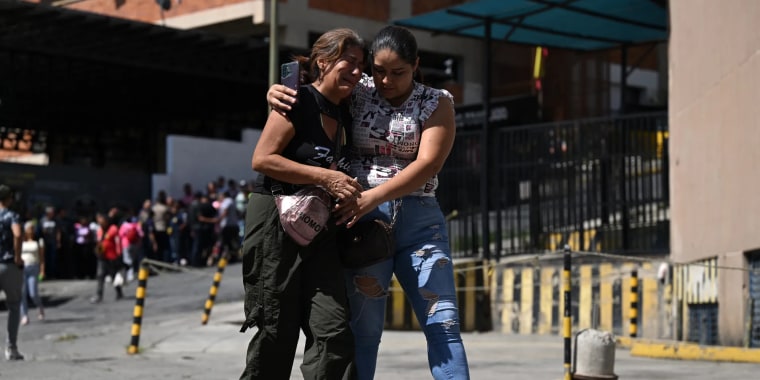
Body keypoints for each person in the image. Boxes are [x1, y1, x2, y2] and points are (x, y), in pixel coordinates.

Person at [268, 25, 471, 379]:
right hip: (362, 226)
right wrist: (277, 92)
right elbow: (311, 80)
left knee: (443, 323)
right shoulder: (358, 89)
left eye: (398, 73)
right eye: (378, 70)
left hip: (419, 225)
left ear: (416, 65)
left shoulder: (436, 101)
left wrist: (372, 196)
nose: (386, 81)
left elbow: (428, 165)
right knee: (364, 331)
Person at [239, 28, 366, 380]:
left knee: (334, 329)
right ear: (323, 62)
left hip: (319, 228)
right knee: (276, 329)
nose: (357, 72)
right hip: (274, 221)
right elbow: (262, 159)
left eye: (361, 65)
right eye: (349, 62)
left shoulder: (346, 110)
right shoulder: (296, 100)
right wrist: (326, 178)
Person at [0, 184, 24, 360]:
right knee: (14, 306)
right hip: (8, 264)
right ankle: (11, 348)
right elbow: (17, 234)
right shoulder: (11, 215)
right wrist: (17, 256)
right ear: (9, 198)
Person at [90, 212, 124, 303]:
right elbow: (98, 241)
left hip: (112, 256)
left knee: (114, 276)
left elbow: (118, 242)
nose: (101, 223)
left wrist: (119, 253)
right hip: (102, 257)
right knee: (100, 275)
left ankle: (119, 292)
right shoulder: (99, 231)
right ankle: (99, 295)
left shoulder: (113, 229)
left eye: (103, 221)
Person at [20, 221, 45, 326]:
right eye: (29, 228)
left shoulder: (38, 241)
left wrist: (42, 270)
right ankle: (24, 315)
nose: (31, 230)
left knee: (33, 293)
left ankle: (40, 307)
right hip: (22, 268)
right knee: (22, 293)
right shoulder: (21, 241)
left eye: (32, 228)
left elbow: (42, 258)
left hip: (33, 267)